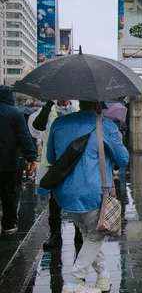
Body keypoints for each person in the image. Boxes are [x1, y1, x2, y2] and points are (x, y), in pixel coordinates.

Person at [47, 100, 129, 293]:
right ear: (99, 105)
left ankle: (103, 276)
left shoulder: (58, 123)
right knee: (96, 235)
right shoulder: (106, 126)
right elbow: (123, 159)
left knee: (88, 234)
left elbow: (51, 156)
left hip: (64, 194)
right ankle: (74, 283)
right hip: (94, 194)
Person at [30, 99, 82, 248]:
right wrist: (47, 106)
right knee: (54, 200)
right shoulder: (48, 110)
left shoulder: (77, 108)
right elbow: (36, 128)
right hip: (53, 161)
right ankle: (55, 235)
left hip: (73, 160)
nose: (64, 99)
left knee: (75, 198)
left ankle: (79, 233)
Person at [0, 86, 37, 235]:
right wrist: (31, 157)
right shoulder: (15, 113)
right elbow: (24, 136)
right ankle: (9, 224)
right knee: (9, 194)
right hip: (8, 162)